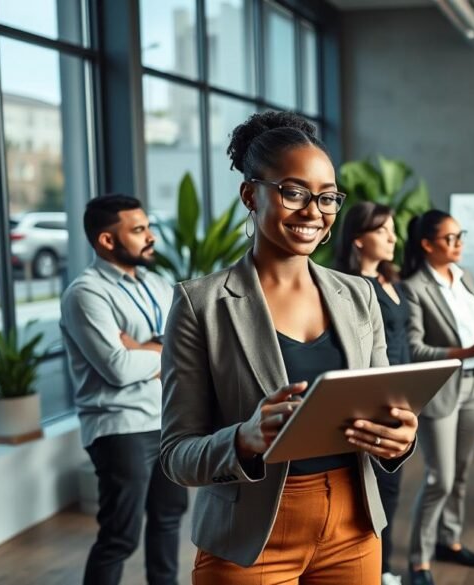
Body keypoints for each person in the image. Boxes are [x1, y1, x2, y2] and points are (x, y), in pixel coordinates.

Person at [159, 111, 418, 584]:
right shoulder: (200, 305)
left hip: (353, 526)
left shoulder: (358, 295)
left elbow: (384, 404)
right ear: (249, 194)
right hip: (250, 536)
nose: (313, 212)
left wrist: (399, 440)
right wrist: (244, 439)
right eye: (293, 192)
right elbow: (176, 454)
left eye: (327, 198)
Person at [60, 194, 189, 585]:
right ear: (107, 241)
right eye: (138, 230)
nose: (150, 237)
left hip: (166, 420)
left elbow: (191, 349)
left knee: (169, 521)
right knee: (120, 536)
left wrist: (147, 348)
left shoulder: (159, 283)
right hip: (121, 426)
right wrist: (166, 351)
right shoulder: (87, 293)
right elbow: (117, 369)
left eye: (147, 227)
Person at [402, 210, 474, 585]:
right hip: (441, 390)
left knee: (461, 474)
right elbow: (414, 349)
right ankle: (419, 560)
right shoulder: (414, 287)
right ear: (428, 244)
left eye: (460, 235)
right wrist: (469, 351)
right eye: (450, 238)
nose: (458, 243)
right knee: (440, 479)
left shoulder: (467, 278)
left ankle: (450, 539)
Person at [337, 202, 411, 585]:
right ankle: (373, 569)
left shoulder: (392, 282)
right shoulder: (346, 288)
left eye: (392, 230)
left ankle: (384, 567)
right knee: (373, 490)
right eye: (383, 231)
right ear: (358, 239)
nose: (392, 238)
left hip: (400, 399)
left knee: (392, 486)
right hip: (371, 400)